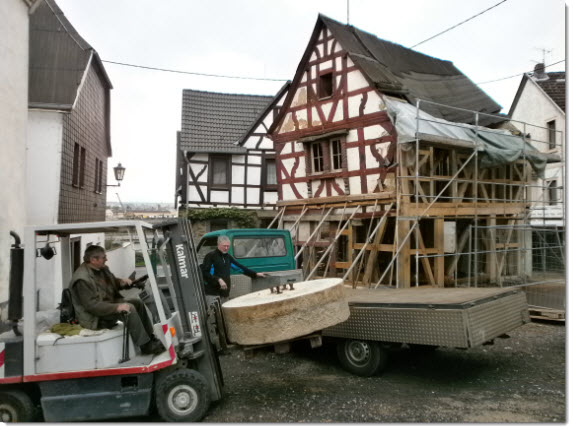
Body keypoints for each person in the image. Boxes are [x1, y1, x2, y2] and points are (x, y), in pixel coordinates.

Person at [69, 245, 165, 355]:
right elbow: (92, 306)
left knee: (137, 302)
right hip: (95, 317)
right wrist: (117, 307)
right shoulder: (82, 279)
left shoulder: (101, 269)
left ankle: (150, 337)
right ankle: (145, 345)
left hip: (106, 305)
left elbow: (112, 283)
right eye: (103, 257)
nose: (106, 259)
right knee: (130, 309)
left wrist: (123, 283)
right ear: (93, 260)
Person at [201, 235, 266, 303]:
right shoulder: (210, 256)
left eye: (228, 246)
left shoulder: (228, 257)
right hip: (212, 293)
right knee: (214, 313)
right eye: (224, 246)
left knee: (224, 313)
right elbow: (205, 273)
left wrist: (255, 274)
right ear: (218, 244)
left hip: (225, 292)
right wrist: (218, 279)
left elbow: (240, 267)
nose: (226, 248)